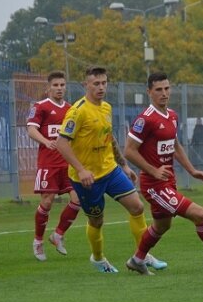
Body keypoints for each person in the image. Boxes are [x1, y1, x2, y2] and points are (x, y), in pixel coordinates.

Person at [123, 72, 203, 276]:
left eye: (167, 88)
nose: (164, 93)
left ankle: (137, 260)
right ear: (149, 92)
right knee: (199, 214)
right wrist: (153, 170)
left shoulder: (172, 116)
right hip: (154, 186)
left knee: (162, 226)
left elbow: (175, 145)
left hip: (168, 182)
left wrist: (192, 170)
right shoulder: (144, 120)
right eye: (158, 90)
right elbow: (129, 150)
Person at [56, 66, 166, 273]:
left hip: (110, 169)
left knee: (137, 207)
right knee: (97, 221)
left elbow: (109, 137)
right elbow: (61, 143)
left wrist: (123, 164)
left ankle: (142, 255)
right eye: (96, 83)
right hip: (87, 179)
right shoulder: (77, 111)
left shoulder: (106, 107)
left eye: (104, 83)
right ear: (85, 85)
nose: (100, 87)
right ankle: (98, 258)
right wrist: (80, 170)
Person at [26, 71, 82, 261]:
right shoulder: (40, 107)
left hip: (67, 164)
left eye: (62, 85)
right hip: (48, 163)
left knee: (77, 199)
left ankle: (57, 235)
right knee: (47, 202)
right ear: (48, 87)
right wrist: (46, 141)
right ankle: (38, 241)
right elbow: (31, 129)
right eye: (56, 85)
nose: (59, 88)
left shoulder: (70, 109)